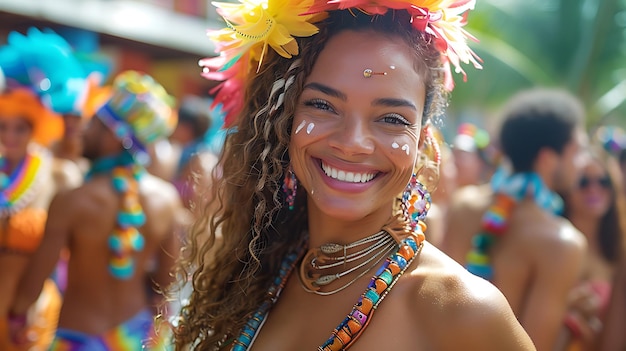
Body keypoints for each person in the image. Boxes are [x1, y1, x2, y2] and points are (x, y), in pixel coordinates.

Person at [172, 1, 535, 350]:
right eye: (322, 105)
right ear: (284, 122)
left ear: (423, 140)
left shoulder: (461, 309)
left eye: (391, 119)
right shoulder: (257, 271)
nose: (352, 143)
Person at [9, 71, 182, 350]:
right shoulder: (167, 199)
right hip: (137, 339)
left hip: (78, 337)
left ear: (114, 137)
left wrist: (16, 316)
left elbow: (36, 278)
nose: (84, 130)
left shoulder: (73, 201)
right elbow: (166, 283)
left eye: (94, 123)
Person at [441, 88, 589, 350]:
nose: (583, 162)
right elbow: (535, 345)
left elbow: (435, 308)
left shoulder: (463, 205)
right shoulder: (563, 242)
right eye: (577, 151)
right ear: (546, 159)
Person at [0, 88, 67, 350]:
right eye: (3, 127)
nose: (10, 136)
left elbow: (58, 251)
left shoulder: (58, 176)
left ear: (36, 128)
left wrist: (26, 305)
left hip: (29, 309)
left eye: (20, 128)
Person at [556, 146, 626, 350]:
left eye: (603, 181)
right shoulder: (552, 248)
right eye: (583, 182)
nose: (594, 189)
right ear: (567, 189)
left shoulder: (620, 249)